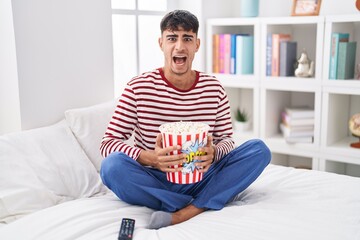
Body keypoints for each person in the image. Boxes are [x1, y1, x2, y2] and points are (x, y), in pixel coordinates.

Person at [100, 9, 271, 229]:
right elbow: (108, 144)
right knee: (111, 167)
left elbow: (227, 138)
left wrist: (215, 153)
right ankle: (203, 202)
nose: (179, 46)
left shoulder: (214, 88)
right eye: (172, 38)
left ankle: (187, 211)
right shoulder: (138, 87)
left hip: (204, 176)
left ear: (197, 45)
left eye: (187, 39)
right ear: (161, 43)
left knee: (259, 150)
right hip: (156, 179)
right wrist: (152, 158)